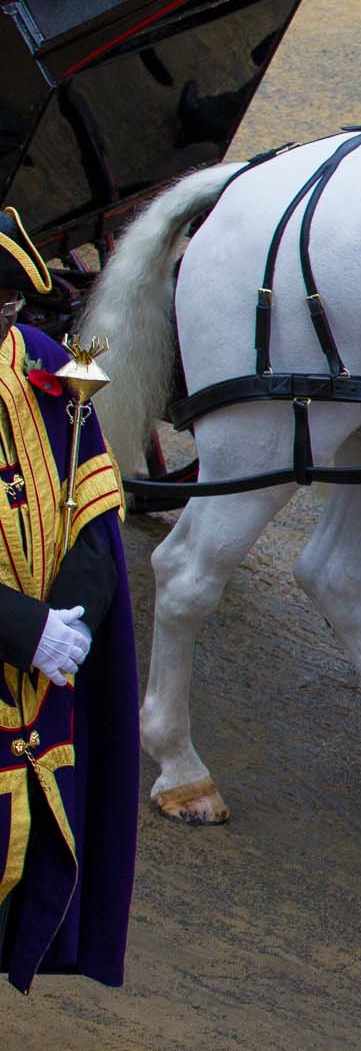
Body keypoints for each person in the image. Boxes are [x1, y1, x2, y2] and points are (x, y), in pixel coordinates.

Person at [0, 208, 136, 993]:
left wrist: (70, 620)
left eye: (11, 312)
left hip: (34, 701)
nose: (6, 330)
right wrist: (24, 628)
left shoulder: (42, 362)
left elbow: (93, 505)